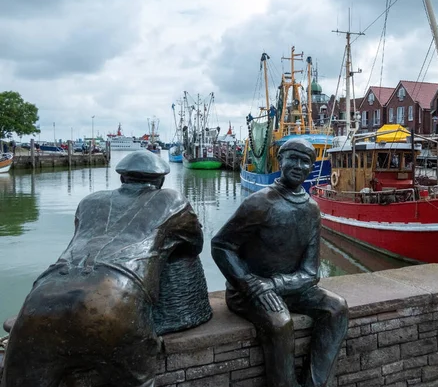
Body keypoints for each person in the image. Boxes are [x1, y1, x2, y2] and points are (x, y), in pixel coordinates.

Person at [2, 150, 210, 387]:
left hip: (41, 299)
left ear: (122, 178)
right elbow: (194, 246)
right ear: (160, 181)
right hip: (114, 298)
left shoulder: (90, 201)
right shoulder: (172, 201)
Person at [212, 138, 348, 387]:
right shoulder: (260, 202)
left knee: (336, 308)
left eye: (305, 161)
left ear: (311, 167)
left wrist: (275, 284)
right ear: (280, 160)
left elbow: (310, 272)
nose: (298, 165)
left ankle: (316, 384)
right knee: (280, 323)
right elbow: (221, 245)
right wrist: (249, 283)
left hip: (286, 287)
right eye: (293, 158)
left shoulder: (312, 210)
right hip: (250, 292)